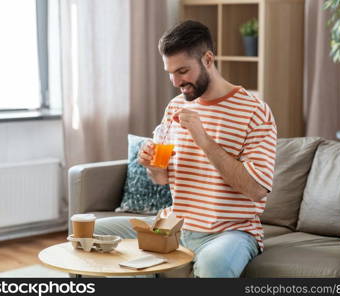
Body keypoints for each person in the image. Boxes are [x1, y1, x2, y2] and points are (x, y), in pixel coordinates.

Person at [95, 20, 277, 278]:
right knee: (94, 233)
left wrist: (203, 139)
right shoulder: (175, 107)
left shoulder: (255, 112)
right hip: (172, 226)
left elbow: (256, 189)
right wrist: (152, 166)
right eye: (169, 72)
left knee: (214, 265)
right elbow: (161, 179)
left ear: (208, 59)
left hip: (229, 232)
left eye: (183, 71)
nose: (176, 81)